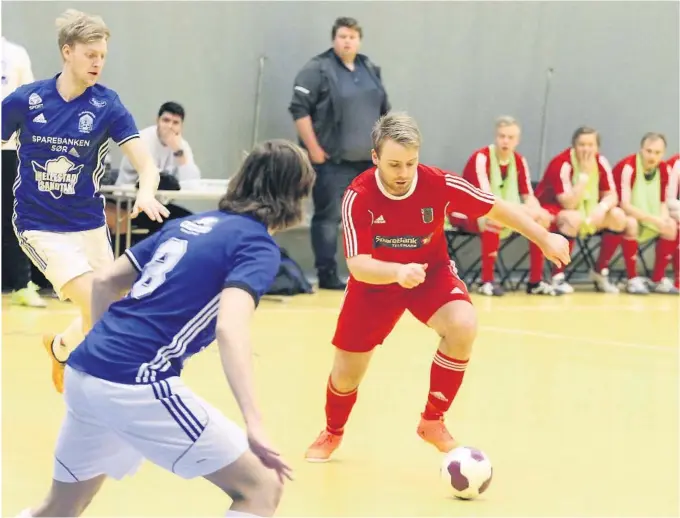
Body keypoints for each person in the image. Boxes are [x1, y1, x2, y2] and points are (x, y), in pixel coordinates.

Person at [14, 139, 315, 518]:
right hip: (135, 380)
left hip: (85, 369)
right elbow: (230, 328)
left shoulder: (188, 225)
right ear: (295, 196)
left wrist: (105, 348)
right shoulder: (256, 246)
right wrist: (254, 422)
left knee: (59, 507)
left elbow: (106, 281)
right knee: (261, 486)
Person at [304, 113, 570, 462]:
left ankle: (432, 420)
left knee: (463, 324)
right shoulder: (359, 196)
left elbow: (497, 208)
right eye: (394, 164)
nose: (403, 173)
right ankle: (333, 432)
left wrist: (544, 236)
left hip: (430, 274)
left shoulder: (439, 182)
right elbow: (358, 264)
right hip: (375, 283)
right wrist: (398, 271)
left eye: (410, 164)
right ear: (375, 158)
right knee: (346, 373)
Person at [1, 9, 168, 394]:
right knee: (103, 304)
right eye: (90, 54)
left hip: (89, 226)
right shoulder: (26, 101)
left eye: (103, 56)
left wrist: (145, 191)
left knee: (108, 303)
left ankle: (60, 349)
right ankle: (110, 390)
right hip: (38, 226)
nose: (98, 63)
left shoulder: (107, 105)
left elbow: (146, 166)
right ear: (67, 52)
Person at [289, 16, 391, 290]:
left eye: (352, 37)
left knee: (369, 218)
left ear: (359, 40)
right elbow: (299, 110)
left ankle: (368, 272)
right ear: (334, 39)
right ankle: (327, 273)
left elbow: (384, 111)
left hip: (368, 161)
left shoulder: (369, 68)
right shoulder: (317, 69)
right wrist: (314, 151)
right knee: (329, 217)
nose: (347, 41)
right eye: (342, 36)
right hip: (332, 161)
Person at [457, 116, 557, 296]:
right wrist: (525, 211)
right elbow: (485, 199)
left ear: (517, 140)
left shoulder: (519, 160)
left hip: (502, 212)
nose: (506, 141)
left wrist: (536, 211)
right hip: (466, 213)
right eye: (502, 136)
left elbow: (528, 195)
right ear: (496, 137)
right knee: (492, 219)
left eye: (510, 137)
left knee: (540, 220)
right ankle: (486, 281)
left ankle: (535, 281)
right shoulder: (481, 158)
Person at [533, 126, 624, 294]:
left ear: (597, 147)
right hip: (552, 211)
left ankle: (600, 272)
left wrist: (601, 208)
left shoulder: (601, 161)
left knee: (618, 216)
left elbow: (612, 195)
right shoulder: (561, 163)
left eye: (591, 145)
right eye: (582, 145)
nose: (586, 149)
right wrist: (583, 177)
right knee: (573, 217)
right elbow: (568, 203)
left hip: (585, 212)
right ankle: (557, 276)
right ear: (574, 146)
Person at [593, 133, 678, 294]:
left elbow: (662, 202)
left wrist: (664, 218)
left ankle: (657, 280)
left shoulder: (665, 169)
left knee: (671, 226)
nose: (652, 156)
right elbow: (625, 205)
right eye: (649, 151)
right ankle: (632, 279)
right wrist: (654, 219)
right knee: (631, 223)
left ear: (663, 154)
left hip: (648, 216)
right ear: (641, 150)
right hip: (621, 217)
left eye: (657, 153)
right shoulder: (629, 167)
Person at [105, 101, 201, 240]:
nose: (169, 126)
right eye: (166, 120)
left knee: (189, 222)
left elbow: (192, 182)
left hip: (158, 202)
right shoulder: (142, 140)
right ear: (157, 121)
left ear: (181, 126)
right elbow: (148, 178)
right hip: (131, 202)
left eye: (175, 123)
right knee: (173, 223)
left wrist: (178, 151)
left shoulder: (181, 146)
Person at [1, 36, 47, 307]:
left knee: (12, 217)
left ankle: (21, 284)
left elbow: (31, 101)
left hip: (8, 148)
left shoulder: (16, 53)